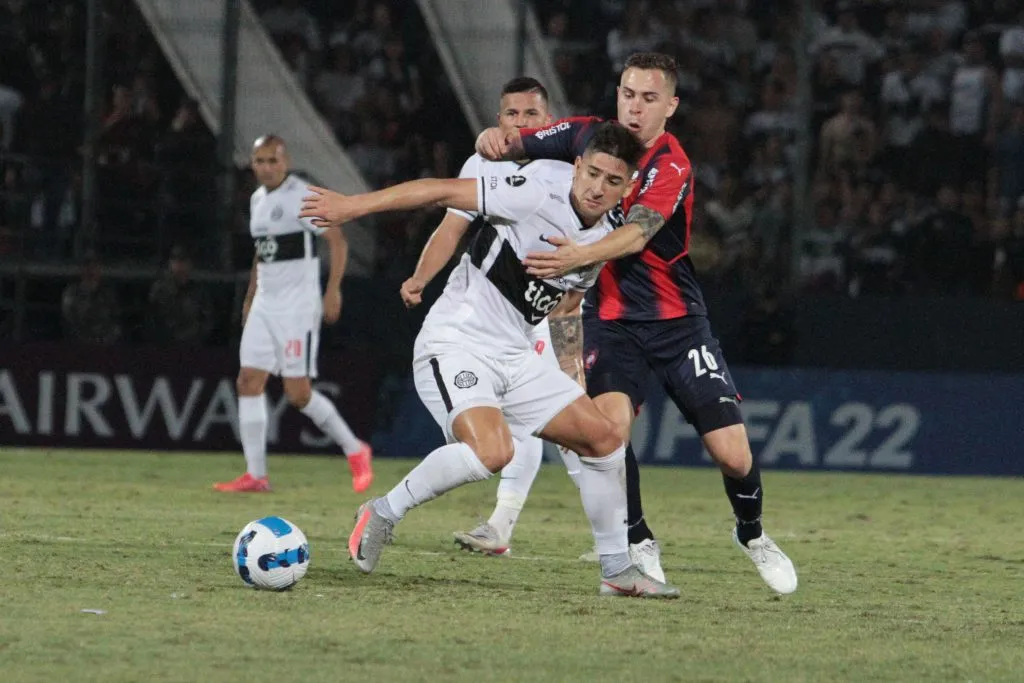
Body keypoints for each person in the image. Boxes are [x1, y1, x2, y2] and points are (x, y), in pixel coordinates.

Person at [301, 123, 679, 597]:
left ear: (627, 186)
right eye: (593, 173)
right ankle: (383, 511)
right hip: (458, 341)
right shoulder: (535, 191)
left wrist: (570, 372)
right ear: (578, 166)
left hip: (517, 356)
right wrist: (352, 206)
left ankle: (617, 570)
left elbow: (563, 307)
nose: (598, 188)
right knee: (494, 452)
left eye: (613, 181)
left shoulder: (604, 235)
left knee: (605, 438)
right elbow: (441, 191)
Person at [476, 51, 797, 594]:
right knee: (608, 435)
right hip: (612, 322)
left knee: (732, 454)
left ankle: (752, 533)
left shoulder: (672, 165)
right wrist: (494, 138)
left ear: (669, 106)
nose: (635, 107)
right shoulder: (585, 137)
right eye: (628, 93)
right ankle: (639, 540)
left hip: (678, 323)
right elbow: (516, 140)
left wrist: (577, 254)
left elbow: (637, 235)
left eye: (649, 98)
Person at [399, 76, 580, 557]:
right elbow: (451, 227)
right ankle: (502, 525)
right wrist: (420, 278)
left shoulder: (566, 164)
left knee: (566, 426)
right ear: (499, 119)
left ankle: (620, 532)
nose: (520, 123)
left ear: (551, 121)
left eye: (532, 115)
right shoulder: (481, 161)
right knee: (522, 426)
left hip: (540, 309)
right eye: (511, 114)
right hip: (486, 312)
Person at [213, 135, 373, 494]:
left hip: (296, 308)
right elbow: (262, 253)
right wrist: (251, 297)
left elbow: (337, 240)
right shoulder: (256, 199)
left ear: (285, 161)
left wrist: (333, 290)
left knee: (298, 394)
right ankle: (256, 475)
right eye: (260, 161)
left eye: (273, 160)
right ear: (252, 163)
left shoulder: (302, 195)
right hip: (266, 304)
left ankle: (355, 449)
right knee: (248, 382)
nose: (266, 168)